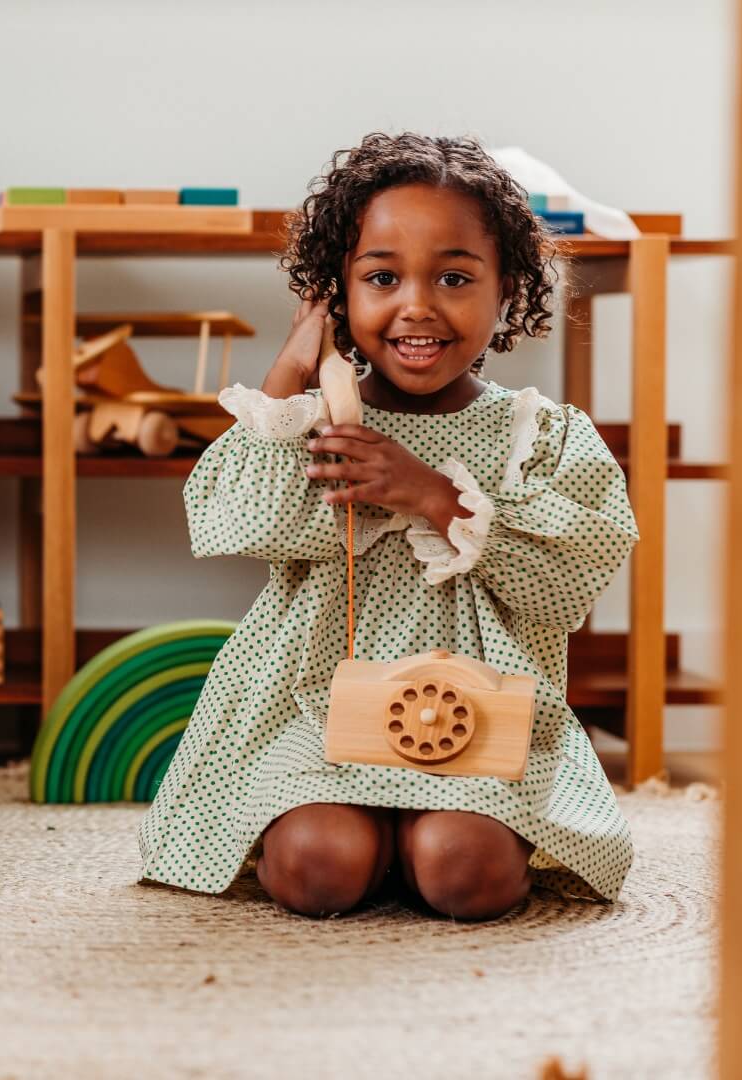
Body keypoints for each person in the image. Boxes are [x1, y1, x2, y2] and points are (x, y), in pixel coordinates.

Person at [136, 132, 638, 920]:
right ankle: (352, 834)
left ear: (508, 287)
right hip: (318, 712)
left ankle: (424, 839)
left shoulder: (540, 435)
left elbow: (571, 576)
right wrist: (293, 371)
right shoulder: (312, 426)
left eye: (454, 277)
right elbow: (232, 518)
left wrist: (435, 496)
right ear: (336, 292)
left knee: (462, 874)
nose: (417, 305)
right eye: (380, 277)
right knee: (317, 871)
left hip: (484, 722)